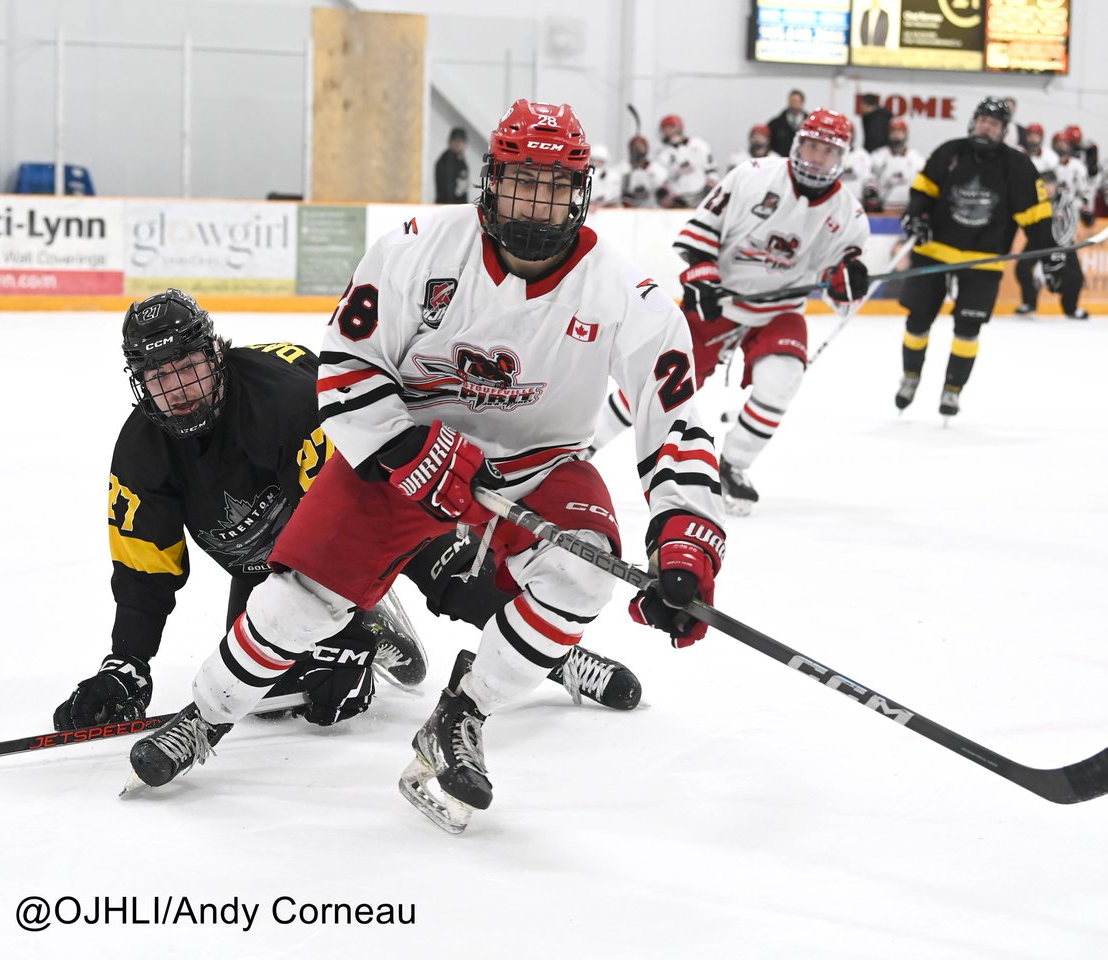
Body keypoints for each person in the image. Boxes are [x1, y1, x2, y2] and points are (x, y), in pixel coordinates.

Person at [126, 100, 725, 837]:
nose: (534, 203)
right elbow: (345, 367)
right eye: (519, 182)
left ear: (582, 191)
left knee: (586, 570)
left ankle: (460, 716)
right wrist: (411, 449)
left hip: (535, 466)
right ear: (490, 181)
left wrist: (686, 541)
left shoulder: (628, 297)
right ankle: (206, 717)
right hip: (406, 447)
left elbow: (678, 428)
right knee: (296, 607)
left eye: (552, 185)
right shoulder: (418, 249)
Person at [60, 290, 639, 737]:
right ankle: (369, 635)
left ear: (214, 355)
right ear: (139, 385)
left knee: (452, 575)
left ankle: (555, 656)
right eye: (159, 377)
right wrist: (127, 666)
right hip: (268, 571)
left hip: (366, 511)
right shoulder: (139, 456)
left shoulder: (282, 401)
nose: (178, 388)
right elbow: (145, 574)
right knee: (267, 696)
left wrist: (342, 628)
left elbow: (343, 531)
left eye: (187, 366)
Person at [588, 109, 870, 515]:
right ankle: (584, 447)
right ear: (797, 143)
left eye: (827, 150)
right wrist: (702, 278)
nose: (816, 157)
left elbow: (841, 284)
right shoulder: (753, 176)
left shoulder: (849, 215)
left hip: (778, 310)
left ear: (841, 157)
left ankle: (733, 465)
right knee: (662, 381)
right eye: (811, 145)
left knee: (782, 380)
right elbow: (701, 232)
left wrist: (846, 280)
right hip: (721, 299)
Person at [896, 97, 1060, 417]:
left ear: (1004, 131)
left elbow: (1037, 216)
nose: (987, 126)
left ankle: (952, 390)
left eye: (995, 124)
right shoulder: (949, 152)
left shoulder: (1017, 166)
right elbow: (922, 192)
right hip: (934, 253)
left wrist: (1050, 254)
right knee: (917, 321)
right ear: (973, 122)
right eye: (983, 120)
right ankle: (911, 376)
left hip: (983, 259)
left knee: (968, 329)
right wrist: (915, 217)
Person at [1013, 171, 1089, 321]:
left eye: (1050, 184)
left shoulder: (1065, 201)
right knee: (1022, 268)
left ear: (1056, 185)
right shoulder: (1035, 201)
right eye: (1044, 185)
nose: (1047, 188)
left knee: (1076, 277)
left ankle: (1071, 309)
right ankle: (1029, 303)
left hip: (1062, 243)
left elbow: (1071, 224)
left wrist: (1061, 247)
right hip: (1038, 242)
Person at [655, 114, 718, 207]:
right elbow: (662, 180)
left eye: (668, 128)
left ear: (677, 128)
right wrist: (669, 197)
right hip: (677, 200)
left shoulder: (700, 145)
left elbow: (711, 170)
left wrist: (710, 187)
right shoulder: (663, 154)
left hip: (701, 197)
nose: (665, 132)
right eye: (664, 129)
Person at [868, 118, 924, 211]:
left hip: (908, 209)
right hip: (884, 210)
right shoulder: (878, 156)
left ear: (906, 134)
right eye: (893, 131)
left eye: (900, 131)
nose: (896, 134)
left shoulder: (917, 159)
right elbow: (871, 180)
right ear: (888, 134)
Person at [621, 134, 668, 207]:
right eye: (635, 147)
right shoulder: (621, 169)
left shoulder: (657, 170)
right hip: (628, 213)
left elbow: (664, 196)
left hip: (652, 211)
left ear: (647, 148)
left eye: (641, 146)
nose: (637, 150)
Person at [434, 127, 469, 204]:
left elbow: (462, 188)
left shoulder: (460, 159)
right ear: (450, 142)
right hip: (448, 207)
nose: (458, 144)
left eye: (461, 141)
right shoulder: (446, 161)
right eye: (456, 141)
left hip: (456, 207)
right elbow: (447, 189)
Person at [767, 89, 806, 158]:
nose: (794, 104)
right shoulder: (775, 124)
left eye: (797, 101)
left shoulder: (809, 125)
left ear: (802, 103)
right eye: (792, 101)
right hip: (780, 161)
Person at [587, 143, 624, 208]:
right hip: (588, 208)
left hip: (609, 209)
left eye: (600, 161)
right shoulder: (586, 175)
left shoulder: (614, 176)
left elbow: (615, 196)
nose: (596, 163)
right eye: (594, 160)